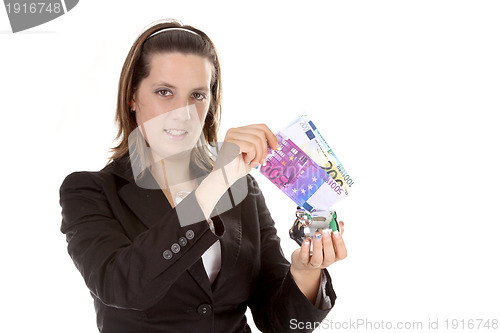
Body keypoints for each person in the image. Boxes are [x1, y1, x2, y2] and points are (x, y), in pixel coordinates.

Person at [59, 20, 347, 333]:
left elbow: (280, 323)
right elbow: (123, 287)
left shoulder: (243, 188)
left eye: (197, 95)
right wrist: (214, 184)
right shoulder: (89, 191)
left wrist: (306, 272)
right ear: (132, 97)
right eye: (164, 92)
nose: (182, 112)